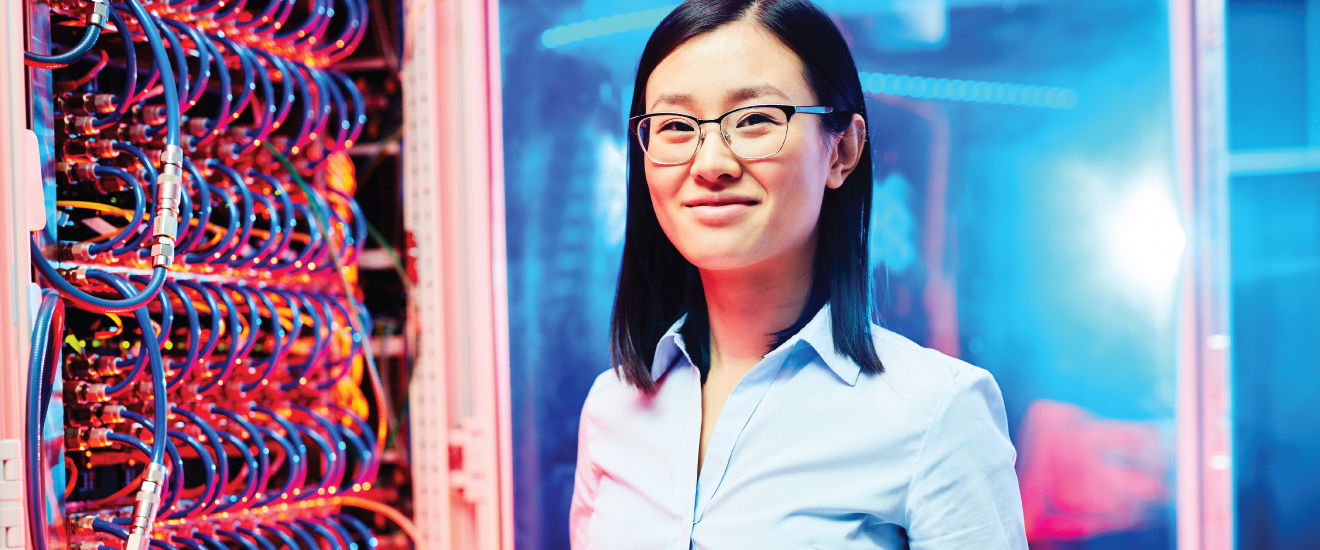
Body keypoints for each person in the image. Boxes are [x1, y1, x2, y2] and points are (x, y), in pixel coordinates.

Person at [569, 0, 1027, 547]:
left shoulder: (937, 412)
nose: (711, 162)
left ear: (843, 151)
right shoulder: (611, 406)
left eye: (756, 119)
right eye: (674, 125)